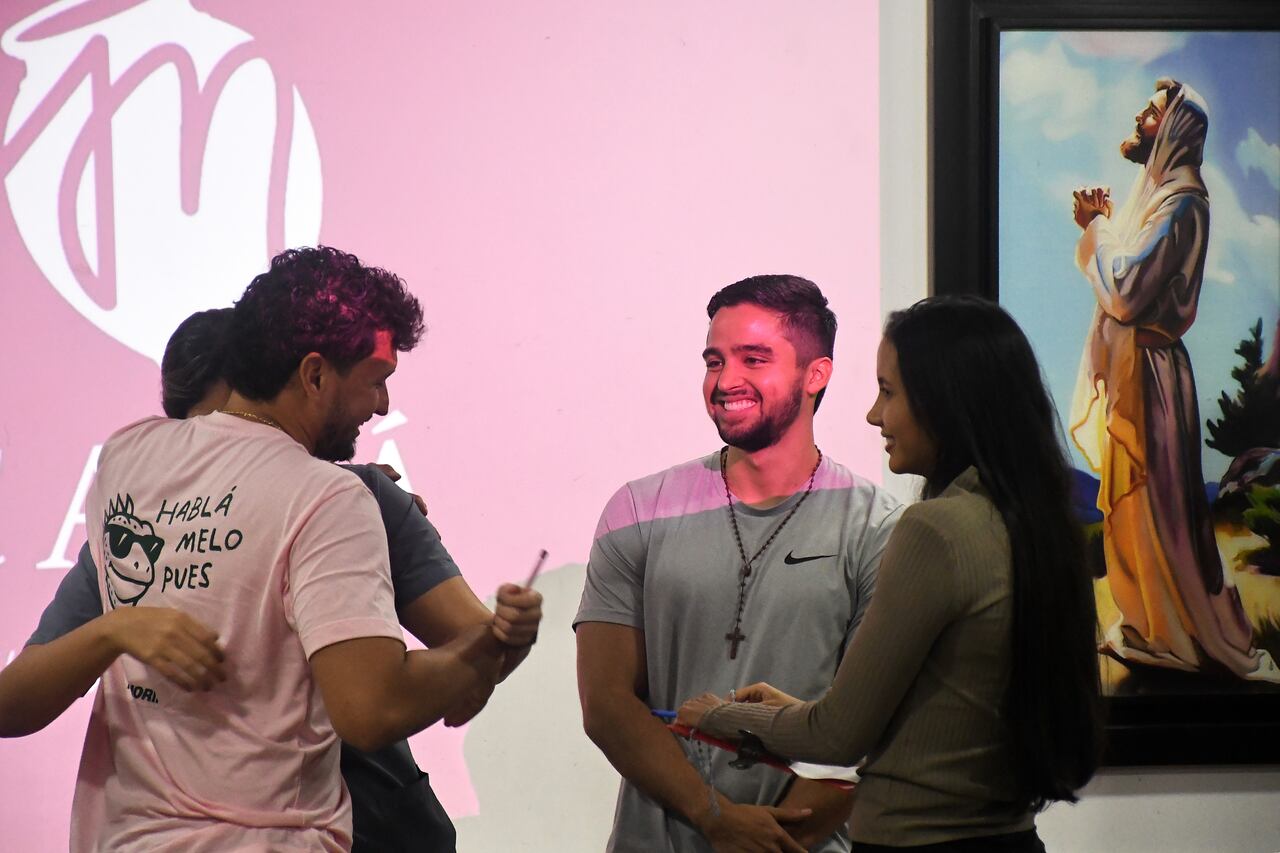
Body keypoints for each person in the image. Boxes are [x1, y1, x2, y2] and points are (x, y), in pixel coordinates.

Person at [21, 246, 530, 851]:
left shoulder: (129, 463)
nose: (384, 406)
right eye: (377, 381)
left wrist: (476, 656)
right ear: (314, 375)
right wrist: (482, 654)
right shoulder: (332, 497)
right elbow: (372, 707)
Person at [678, 296, 1105, 852]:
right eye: (716, 361)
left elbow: (839, 734)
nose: (873, 416)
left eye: (889, 392)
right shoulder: (1036, 524)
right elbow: (941, 706)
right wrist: (790, 714)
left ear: (945, 401)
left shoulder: (936, 530)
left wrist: (720, 716)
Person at [575, 275, 901, 852]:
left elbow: (873, 727)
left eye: (754, 359)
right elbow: (606, 704)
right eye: (713, 360)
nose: (725, 381)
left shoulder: (876, 527)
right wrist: (715, 818)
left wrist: (774, 839)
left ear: (815, 374)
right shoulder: (637, 510)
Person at [1070, 78, 1277, 680]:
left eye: (1153, 113)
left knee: (1161, 511)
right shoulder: (1162, 196)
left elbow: (1128, 293)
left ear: (1177, 130)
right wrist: (1104, 226)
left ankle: (1181, 635)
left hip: (1154, 378)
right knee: (1136, 513)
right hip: (1141, 375)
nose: (1139, 118)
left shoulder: (1183, 201)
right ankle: (1150, 627)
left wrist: (1097, 228)